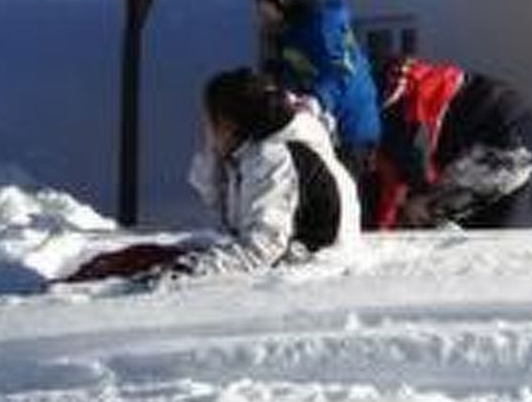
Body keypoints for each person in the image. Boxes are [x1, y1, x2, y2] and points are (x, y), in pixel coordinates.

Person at [60, 68, 360, 283]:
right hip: (286, 261)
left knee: (150, 268)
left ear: (228, 124)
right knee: (138, 258)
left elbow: (262, 247)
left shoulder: (273, 157)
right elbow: (225, 209)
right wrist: (214, 157)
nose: (204, 128)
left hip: (307, 269)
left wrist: (188, 271)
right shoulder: (249, 152)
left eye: (208, 121)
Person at [246, 0, 381, 183]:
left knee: (338, 195)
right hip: (329, 126)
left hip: (350, 130)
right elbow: (298, 70)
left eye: (263, 1)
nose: (260, 10)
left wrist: (316, 100)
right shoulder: (292, 29)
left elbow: (340, 72)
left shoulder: (321, 24)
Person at [371, 50, 532, 230]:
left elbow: (407, 165)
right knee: (500, 218)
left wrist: (388, 223)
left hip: (499, 134)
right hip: (520, 123)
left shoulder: (403, 100)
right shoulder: (430, 78)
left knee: (422, 213)